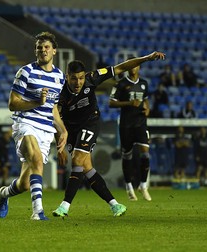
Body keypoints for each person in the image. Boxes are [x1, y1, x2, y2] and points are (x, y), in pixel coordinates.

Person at [52, 51, 165, 218]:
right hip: (71, 129)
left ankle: (64, 206)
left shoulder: (93, 77)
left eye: (81, 78)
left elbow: (121, 67)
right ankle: (115, 205)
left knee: (77, 160)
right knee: (87, 168)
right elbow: (55, 119)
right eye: (74, 78)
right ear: (67, 77)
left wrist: (147, 58)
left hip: (90, 122)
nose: (78, 82)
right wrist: (59, 147)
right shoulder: (59, 92)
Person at [0, 31, 68, 220]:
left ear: (54, 51)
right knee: (36, 161)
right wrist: (37, 102)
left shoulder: (60, 77)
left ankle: (4, 194)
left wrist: (63, 130)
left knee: (24, 184)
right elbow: (12, 104)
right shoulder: (26, 71)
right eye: (39, 48)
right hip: (25, 124)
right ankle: (38, 212)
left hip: (45, 130)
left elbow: (53, 108)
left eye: (46, 47)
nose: (42, 50)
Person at [109, 54, 165, 202]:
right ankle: (129, 187)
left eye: (135, 65)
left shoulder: (144, 84)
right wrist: (128, 103)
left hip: (140, 123)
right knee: (127, 156)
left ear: (139, 66)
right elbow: (111, 103)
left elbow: (145, 100)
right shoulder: (120, 84)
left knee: (145, 152)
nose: (133, 68)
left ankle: (143, 185)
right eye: (131, 65)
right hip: (126, 124)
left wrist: (147, 109)